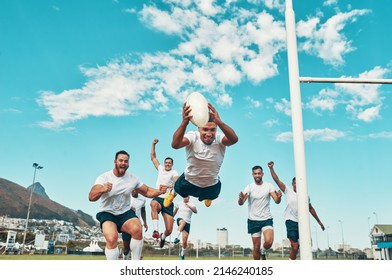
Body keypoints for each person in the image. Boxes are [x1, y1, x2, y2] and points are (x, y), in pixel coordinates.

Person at [88, 150, 167, 260]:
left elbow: (147, 191)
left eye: (126, 161)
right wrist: (103, 189)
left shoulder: (132, 178)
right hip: (107, 213)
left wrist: (159, 191)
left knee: (137, 229)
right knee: (111, 238)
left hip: (125, 212)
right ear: (115, 161)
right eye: (120, 160)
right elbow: (91, 197)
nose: (123, 163)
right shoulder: (104, 178)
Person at [164, 102, 238, 208]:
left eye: (213, 130)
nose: (209, 134)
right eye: (205, 129)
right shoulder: (193, 136)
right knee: (178, 188)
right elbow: (175, 145)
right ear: (199, 129)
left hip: (211, 184)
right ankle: (172, 194)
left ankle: (208, 197)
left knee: (214, 194)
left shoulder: (220, 138)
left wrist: (220, 122)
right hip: (189, 181)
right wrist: (184, 123)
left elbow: (234, 140)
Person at [268, 161, 325, 260]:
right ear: (292, 184)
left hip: (303, 223)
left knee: (306, 246)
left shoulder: (306, 196)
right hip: (291, 221)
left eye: (298, 183)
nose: (296, 185)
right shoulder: (288, 191)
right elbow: (277, 180)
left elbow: (311, 209)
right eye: (294, 183)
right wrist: (271, 168)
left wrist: (319, 222)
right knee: (295, 246)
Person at [238, 165, 282, 260]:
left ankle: (263, 251)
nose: (257, 175)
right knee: (256, 247)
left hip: (266, 219)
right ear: (252, 175)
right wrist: (240, 199)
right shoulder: (249, 187)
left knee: (269, 242)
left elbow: (276, 201)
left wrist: (279, 197)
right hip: (253, 220)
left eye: (259, 173)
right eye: (255, 174)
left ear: (262, 174)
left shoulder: (269, 186)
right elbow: (241, 203)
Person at [150, 138, 179, 248]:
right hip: (158, 198)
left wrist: (175, 184)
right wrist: (153, 144)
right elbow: (153, 157)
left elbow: (176, 179)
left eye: (169, 163)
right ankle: (156, 231)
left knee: (169, 229)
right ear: (164, 164)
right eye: (166, 162)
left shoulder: (173, 172)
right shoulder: (161, 169)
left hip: (167, 201)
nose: (167, 164)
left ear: (172, 164)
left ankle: (162, 237)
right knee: (153, 204)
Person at [121, 189, 148, 260]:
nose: (132, 191)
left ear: (138, 190)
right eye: (131, 190)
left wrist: (145, 222)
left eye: (134, 190)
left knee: (136, 249)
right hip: (126, 224)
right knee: (126, 250)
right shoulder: (126, 197)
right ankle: (125, 259)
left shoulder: (143, 199)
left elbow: (143, 211)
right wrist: (128, 208)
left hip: (137, 225)